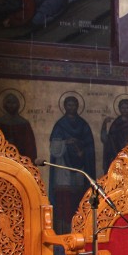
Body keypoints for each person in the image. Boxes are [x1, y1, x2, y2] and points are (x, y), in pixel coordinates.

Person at [48, 94, 95, 234]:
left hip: (80, 166)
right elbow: (54, 147)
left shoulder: (83, 125)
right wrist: (65, 142)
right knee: (63, 196)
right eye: (69, 105)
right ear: (64, 106)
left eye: (74, 105)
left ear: (78, 106)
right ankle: (62, 230)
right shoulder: (60, 125)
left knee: (77, 196)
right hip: (63, 166)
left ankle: (79, 229)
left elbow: (89, 146)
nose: (72, 107)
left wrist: (81, 148)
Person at [0, 90, 38, 161]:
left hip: (20, 157)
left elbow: (30, 146)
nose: (11, 105)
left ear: (18, 104)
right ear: (4, 104)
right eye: (9, 102)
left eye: (14, 102)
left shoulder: (24, 123)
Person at [100, 97, 128, 170]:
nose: (124, 110)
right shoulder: (116, 123)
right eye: (122, 108)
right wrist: (104, 125)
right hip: (116, 153)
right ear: (119, 109)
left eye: (127, 108)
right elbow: (108, 139)